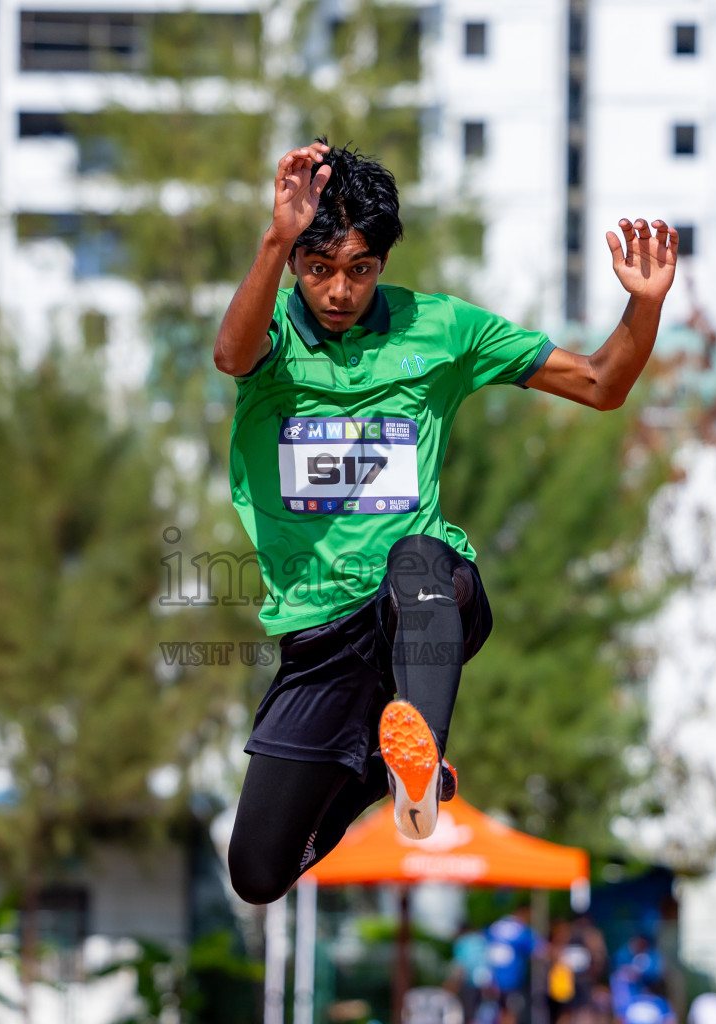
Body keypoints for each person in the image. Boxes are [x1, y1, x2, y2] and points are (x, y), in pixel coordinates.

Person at [218, 138, 674, 904]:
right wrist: (273, 239)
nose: (338, 290)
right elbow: (232, 354)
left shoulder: (442, 329)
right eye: (320, 268)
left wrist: (645, 304)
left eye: (359, 270)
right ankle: (384, 772)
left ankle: (422, 750)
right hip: (319, 633)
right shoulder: (272, 337)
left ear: (383, 265)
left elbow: (600, 384)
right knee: (256, 875)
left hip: (423, 604)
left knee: (419, 559)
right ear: (296, 261)